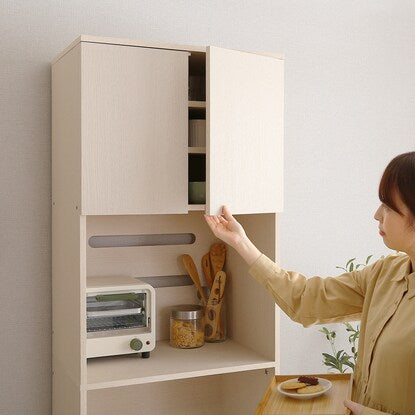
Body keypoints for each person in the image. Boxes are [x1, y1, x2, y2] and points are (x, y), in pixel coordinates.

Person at [204, 151, 415, 415]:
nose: (376, 215)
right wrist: (241, 243)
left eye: (388, 206)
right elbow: (305, 299)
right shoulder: (386, 272)